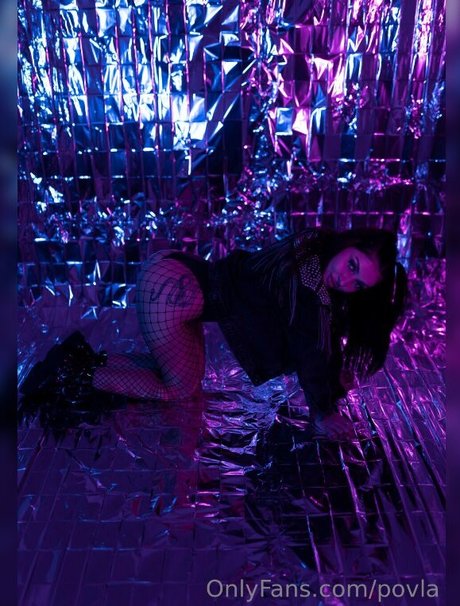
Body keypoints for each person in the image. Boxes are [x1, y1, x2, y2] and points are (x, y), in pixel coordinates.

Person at [19, 227, 408, 440]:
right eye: (352, 265)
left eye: (358, 284)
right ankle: (69, 372)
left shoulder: (313, 248)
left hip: (176, 277)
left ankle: (78, 358)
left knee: (173, 373)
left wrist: (334, 379)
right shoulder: (309, 278)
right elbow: (311, 346)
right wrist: (323, 412)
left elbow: (321, 331)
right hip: (170, 291)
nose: (345, 280)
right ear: (347, 244)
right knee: (177, 388)